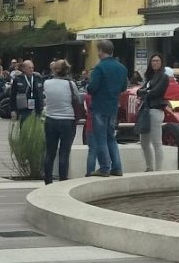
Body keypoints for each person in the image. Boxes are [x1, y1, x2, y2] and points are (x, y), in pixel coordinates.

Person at [86, 40, 128, 177]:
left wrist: (89, 87)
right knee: (111, 137)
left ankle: (104, 167)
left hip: (99, 106)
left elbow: (93, 88)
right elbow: (123, 88)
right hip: (113, 107)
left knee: (101, 138)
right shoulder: (122, 68)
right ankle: (117, 167)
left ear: (101, 51)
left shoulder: (100, 68)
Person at [41, 59, 79, 184]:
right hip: (67, 120)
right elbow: (77, 100)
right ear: (67, 70)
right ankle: (63, 180)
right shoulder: (71, 85)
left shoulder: (47, 83)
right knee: (64, 153)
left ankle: (48, 180)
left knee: (50, 153)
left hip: (51, 119)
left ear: (54, 70)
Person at [137, 54, 168, 172]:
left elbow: (156, 92)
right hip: (145, 111)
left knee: (156, 142)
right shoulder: (150, 77)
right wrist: (146, 91)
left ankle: (159, 170)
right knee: (144, 142)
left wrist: (145, 92)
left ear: (161, 62)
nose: (155, 63)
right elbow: (139, 91)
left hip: (156, 110)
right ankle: (149, 167)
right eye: (153, 61)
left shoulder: (163, 77)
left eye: (157, 61)